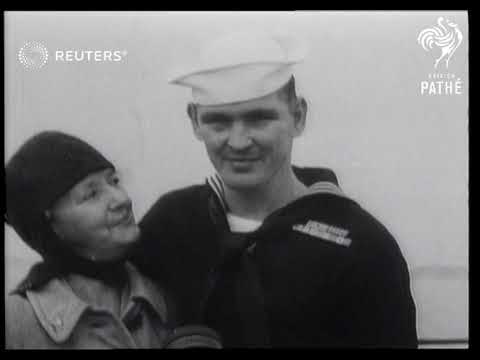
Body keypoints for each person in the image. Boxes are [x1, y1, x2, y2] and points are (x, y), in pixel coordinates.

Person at [131, 30, 418, 348]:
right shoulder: (171, 224)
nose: (238, 141)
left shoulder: (360, 244)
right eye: (218, 122)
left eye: (259, 119)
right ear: (194, 121)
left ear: (298, 116)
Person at [5, 131, 222, 349]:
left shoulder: (167, 294)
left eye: (114, 181)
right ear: (49, 223)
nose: (122, 199)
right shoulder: (17, 321)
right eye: (92, 195)